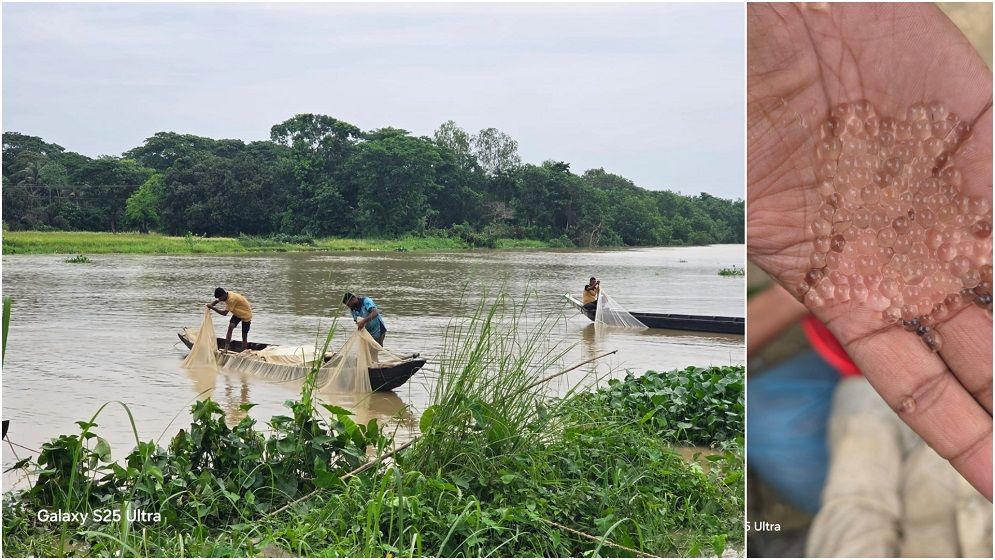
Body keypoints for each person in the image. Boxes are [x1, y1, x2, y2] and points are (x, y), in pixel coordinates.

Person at [207, 287, 252, 352]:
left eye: (220, 298)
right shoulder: (226, 295)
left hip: (246, 315)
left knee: (244, 336)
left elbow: (224, 313)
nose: (219, 299)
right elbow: (217, 300)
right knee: (230, 327)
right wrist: (211, 305)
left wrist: (212, 308)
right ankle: (226, 349)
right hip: (237, 313)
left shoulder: (231, 299)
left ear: (224, 295)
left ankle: (243, 352)